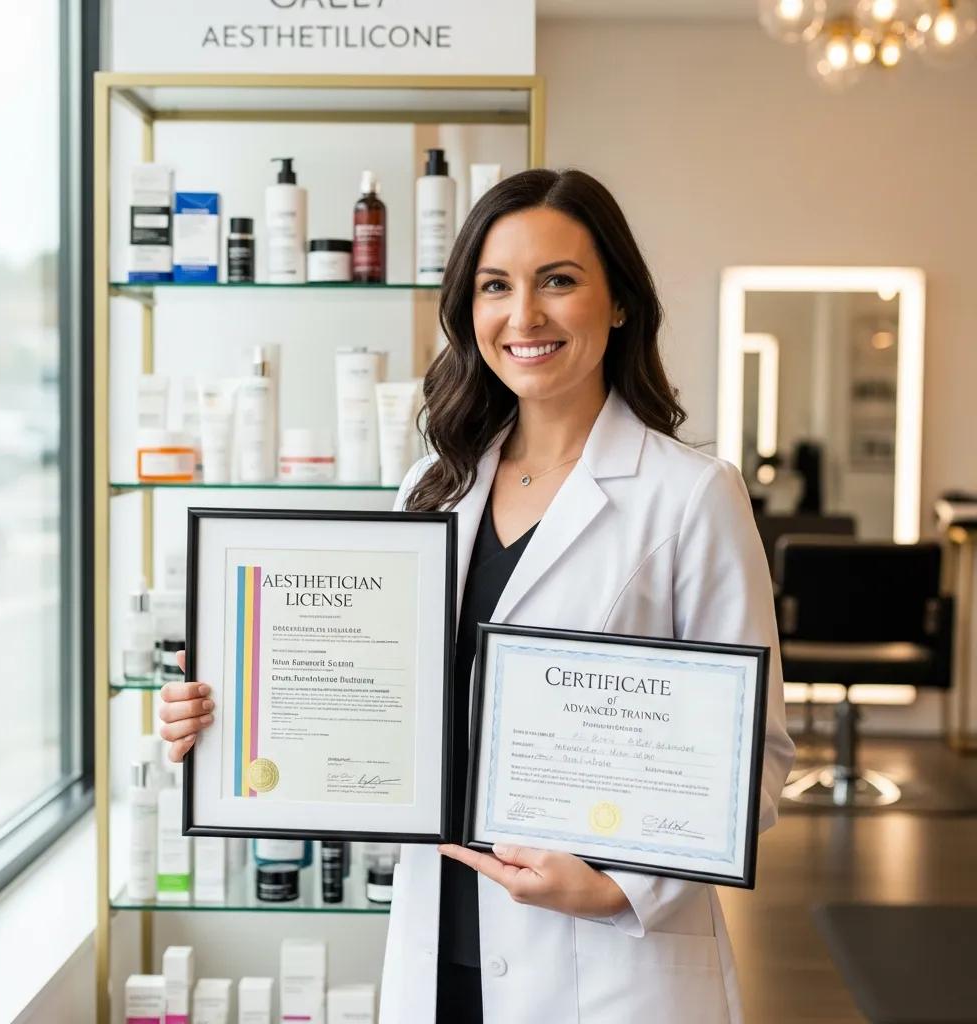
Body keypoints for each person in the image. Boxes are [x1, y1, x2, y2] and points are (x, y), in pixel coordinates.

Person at [159, 168, 795, 1024]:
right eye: (495, 286)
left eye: (557, 281)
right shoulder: (433, 486)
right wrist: (229, 714)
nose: (523, 316)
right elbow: (380, 707)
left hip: (604, 961)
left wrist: (619, 889)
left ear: (618, 303)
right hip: (439, 948)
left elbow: (757, 754)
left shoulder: (690, 495)